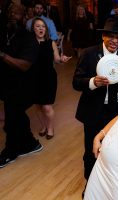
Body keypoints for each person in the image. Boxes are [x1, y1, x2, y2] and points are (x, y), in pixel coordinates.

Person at [72, 17, 118, 187]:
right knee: (92, 149)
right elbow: (76, 82)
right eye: (111, 36)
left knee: (113, 150)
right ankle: (90, 185)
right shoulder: (89, 53)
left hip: (116, 113)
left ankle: (108, 183)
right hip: (93, 111)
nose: (114, 41)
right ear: (103, 36)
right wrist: (92, 82)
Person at [0, 4, 42, 168]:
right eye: (9, 11)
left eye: (15, 13)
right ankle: (31, 144)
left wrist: (2, 55)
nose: (11, 15)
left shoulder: (28, 38)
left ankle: (11, 151)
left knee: (12, 119)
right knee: (17, 115)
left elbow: (24, 65)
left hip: (24, 87)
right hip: (8, 85)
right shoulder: (6, 33)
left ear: (24, 16)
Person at [31, 17, 71, 140]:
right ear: (33, 28)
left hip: (48, 77)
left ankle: (50, 127)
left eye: (43, 26)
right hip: (33, 78)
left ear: (46, 29)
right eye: (38, 26)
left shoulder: (51, 43)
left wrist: (62, 59)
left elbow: (57, 59)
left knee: (47, 106)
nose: (41, 28)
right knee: (37, 106)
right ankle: (43, 126)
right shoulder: (29, 43)